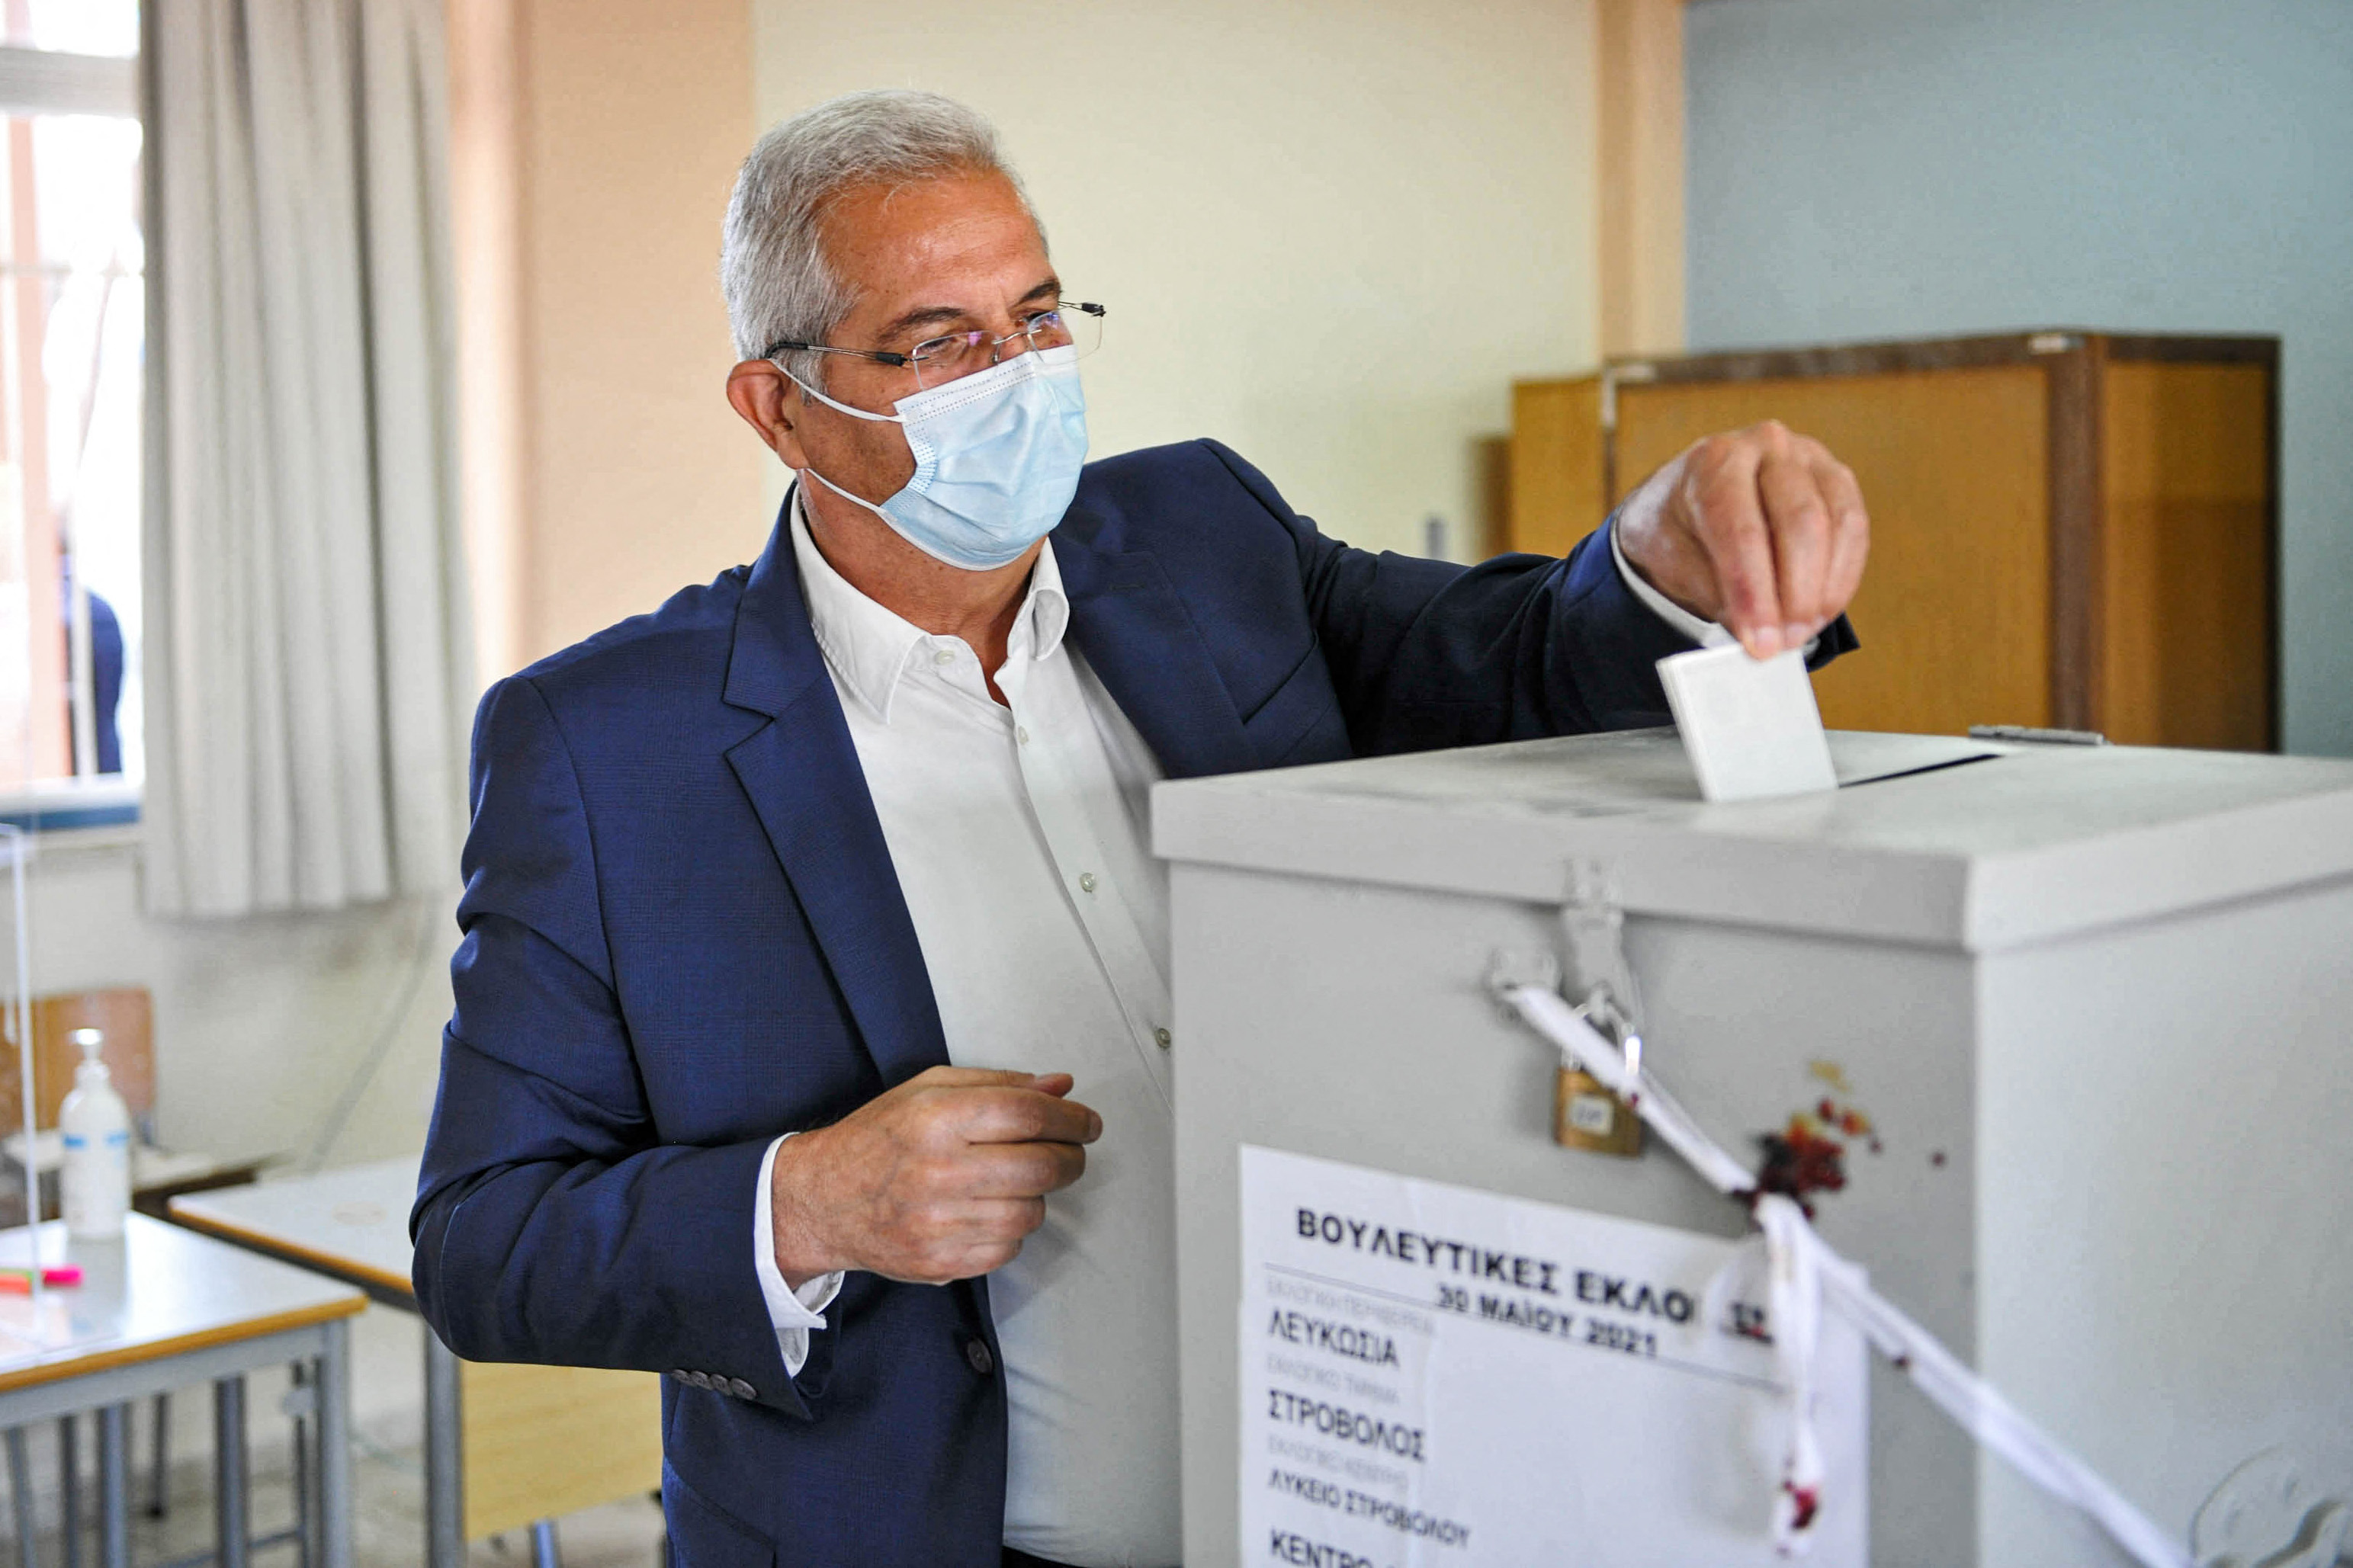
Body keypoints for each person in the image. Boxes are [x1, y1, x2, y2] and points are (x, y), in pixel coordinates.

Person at [411, 88, 1869, 1568]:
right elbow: (482, 1241)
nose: (1019, 377)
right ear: (780, 408)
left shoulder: (1203, 540)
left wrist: (1658, 560)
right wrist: (808, 1206)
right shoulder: (606, 751)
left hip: (1353, 1498)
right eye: (941, 343)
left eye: (1038, 318)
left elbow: (1514, 663)